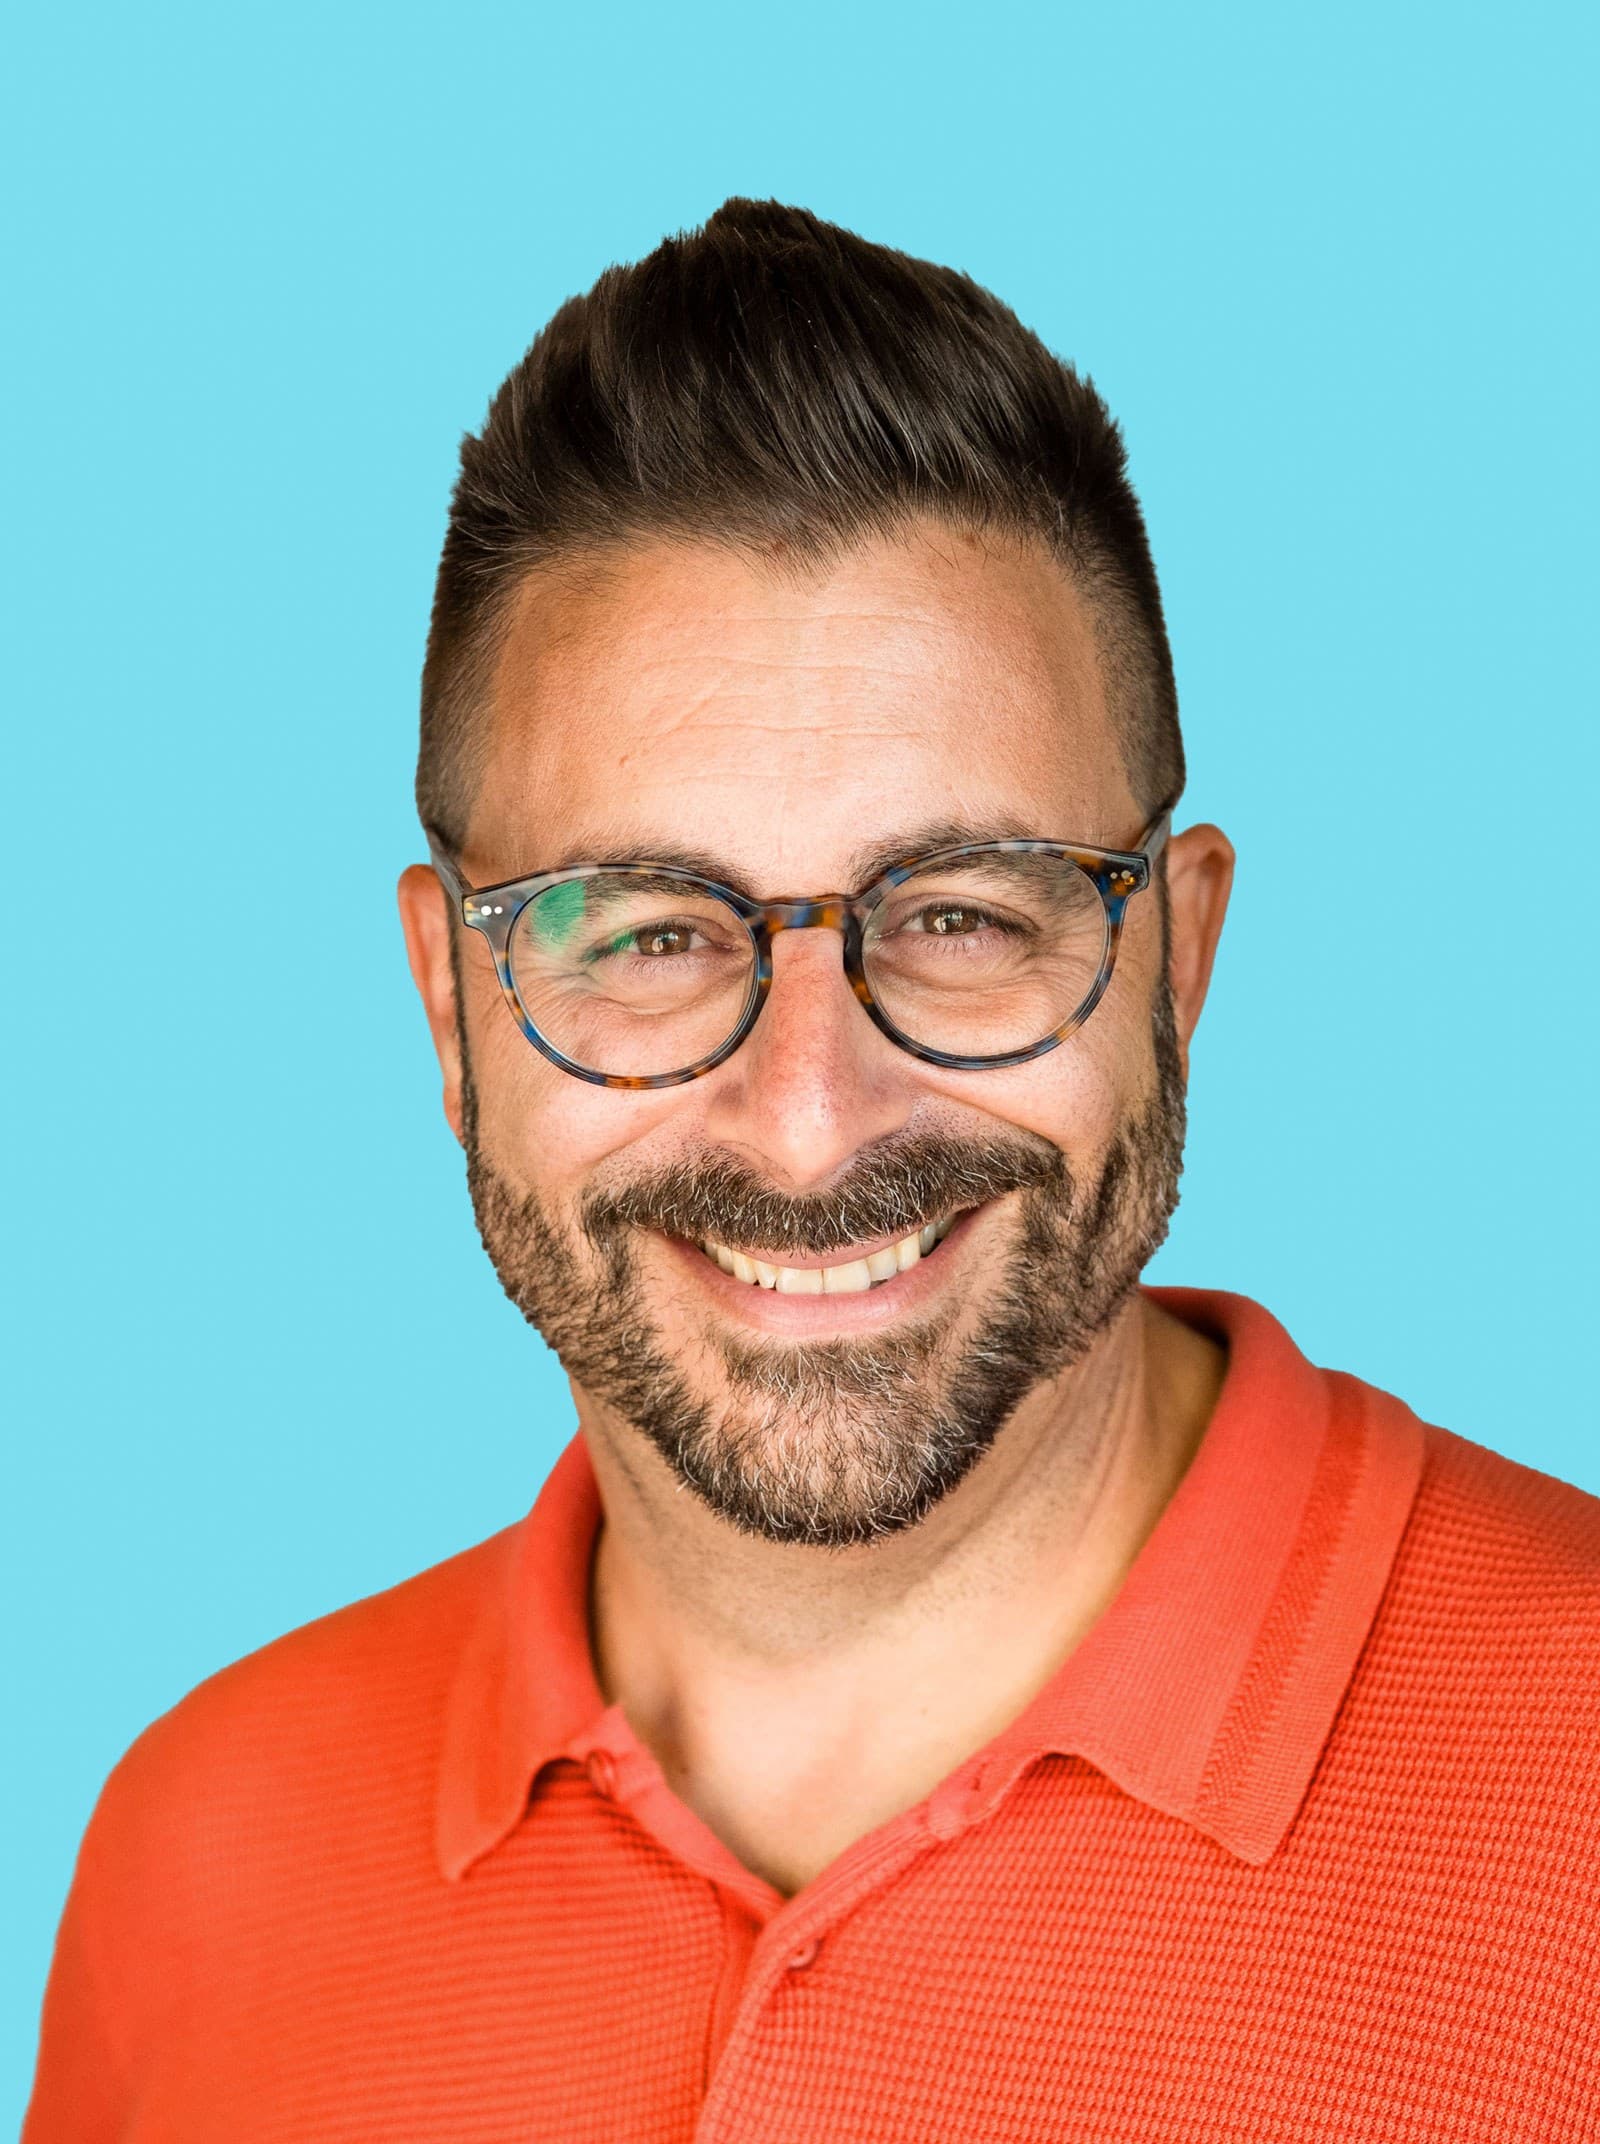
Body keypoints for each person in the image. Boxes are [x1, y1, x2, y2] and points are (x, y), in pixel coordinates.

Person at [25, 198, 1600, 2142]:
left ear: (1178, 960)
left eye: (959, 914)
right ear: (450, 1005)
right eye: (648, 934)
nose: (806, 1116)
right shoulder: (201, 1851)